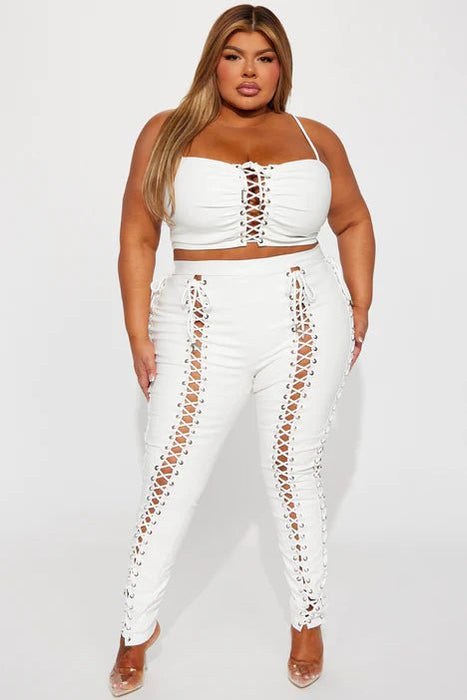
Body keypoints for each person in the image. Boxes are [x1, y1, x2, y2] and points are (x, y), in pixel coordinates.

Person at [108, 4, 375, 696]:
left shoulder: (315, 138)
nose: (249, 71)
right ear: (213, 63)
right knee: (170, 475)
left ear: (281, 67)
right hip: (199, 323)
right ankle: (136, 628)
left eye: (264, 57)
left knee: (293, 470)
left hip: (306, 318)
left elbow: (351, 219)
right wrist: (137, 331)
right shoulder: (166, 132)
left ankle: (307, 621)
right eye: (234, 56)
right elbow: (138, 234)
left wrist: (359, 304)